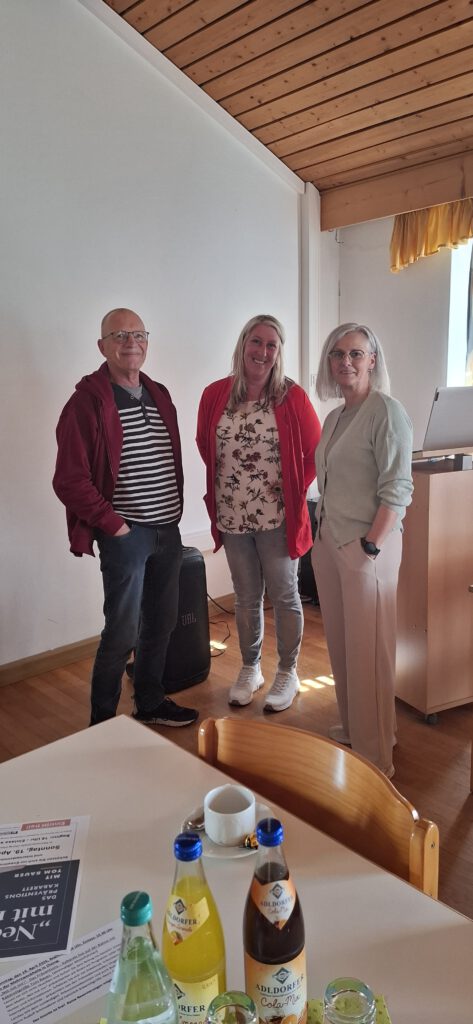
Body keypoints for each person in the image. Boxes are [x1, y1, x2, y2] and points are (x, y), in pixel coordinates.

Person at [53, 307, 198, 729]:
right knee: (121, 632)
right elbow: (69, 480)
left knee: (162, 623)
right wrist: (114, 525)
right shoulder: (86, 403)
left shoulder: (159, 393)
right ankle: (102, 724)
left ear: (147, 342)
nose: (130, 342)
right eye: (119, 336)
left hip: (167, 530)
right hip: (126, 537)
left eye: (138, 334)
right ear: (102, 346)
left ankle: (149, 702)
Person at [196, 314, 321, 712]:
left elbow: (315, 452)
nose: (262, 352)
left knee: (285, 594)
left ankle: (287, 672)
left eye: (271, 345)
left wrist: (291, 490)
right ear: (243, 344)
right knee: (247, 596)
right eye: (256, 342)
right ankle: (250, 668)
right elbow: (205, 444)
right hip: (232, 516)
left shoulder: (292, 397)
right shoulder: (215, 394)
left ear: (279, 353)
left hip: (278, 518)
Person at [311, 323, 413, 778]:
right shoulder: (335, 417)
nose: (345, 362)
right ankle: (357, 730)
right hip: (330, 542)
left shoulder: (386, 411)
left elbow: (398, 489)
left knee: (370, 654)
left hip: (367, 548)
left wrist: (370, 545)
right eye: (337, 354)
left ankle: (376, 759)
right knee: (343, 646)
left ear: (372, 359)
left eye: (355, 353)